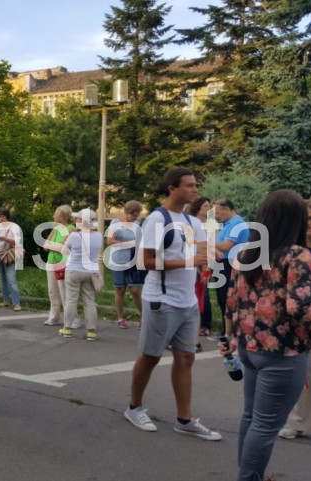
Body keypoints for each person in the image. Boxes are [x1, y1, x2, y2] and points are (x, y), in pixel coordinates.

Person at [220, 190, 311, 481]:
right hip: (284, 352)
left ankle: (248, 474)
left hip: (251, 348)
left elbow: (232, 301)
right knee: (265, 426)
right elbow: (300, 309)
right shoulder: (298, 255)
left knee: (252, 418)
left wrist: (233, 338)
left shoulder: (247, 253)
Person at [124, 167, 221, 441]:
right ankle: (134, 407)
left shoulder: (192, 222)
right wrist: (191, 261)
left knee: (186, 358)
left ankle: (185, 419)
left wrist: (206, 264)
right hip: (161, 300)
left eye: (195, 185)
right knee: (151, 356)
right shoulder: (157, 219)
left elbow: (203, 253)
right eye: (189, 185)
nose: (195, 190)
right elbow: (146, 261)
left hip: (188, 301)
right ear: (172, 188)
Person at [277, 197, 311, 440]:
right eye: (307, 219)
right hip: (301, 322)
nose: (310, 223)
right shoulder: (294, 250)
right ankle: (298, 421)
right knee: (306, 374)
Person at [59, 208, 103, 341]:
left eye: (78, 219)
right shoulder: (99, 236)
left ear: (82, 221)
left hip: (74, 270)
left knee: (71, 300)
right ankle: (91, 331)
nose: (76, 220)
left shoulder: (74, 236)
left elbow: (64, 251)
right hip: (91, 271)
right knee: (89, 301)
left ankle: (67, 328)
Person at [213, 198, 249, 332]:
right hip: (223, 263)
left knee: (227, 299)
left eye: (218, 213)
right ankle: (226, 330)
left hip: (231, 264)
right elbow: (219, 244)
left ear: (226, 209)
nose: (217, 216)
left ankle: (230, 331)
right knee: (222, 299)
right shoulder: (227, 224)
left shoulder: (236, 224)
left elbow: (226, 246)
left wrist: (208, 244)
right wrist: (216, 248)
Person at [107, 200, 144, 329]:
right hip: (118, 259)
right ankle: (120, 317)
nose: (135, 218)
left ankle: (143, 317)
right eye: (133, 215)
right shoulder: (115, 223)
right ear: (127, 212)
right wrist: (126, 244)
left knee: (135, 290)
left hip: (133, 261)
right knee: (120, 289)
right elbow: (109, 241)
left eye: (137, 215)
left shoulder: (138, 224)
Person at [186, 197, 215, 337]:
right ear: (198, 208)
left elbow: (207, 249)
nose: (209, 209)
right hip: (191, 264)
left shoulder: (210, 225)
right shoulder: (191, 224)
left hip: (204, 263)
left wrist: (206, 270)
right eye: (206, 206)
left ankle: (203, 327)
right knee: (195, 298)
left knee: (201, 297)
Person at [43, 205, 74, 326]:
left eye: (55, 214)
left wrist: (52, 246)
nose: (53, 216)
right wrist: (54, 246)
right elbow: (45, 245)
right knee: (52, 292)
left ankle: (70, 318)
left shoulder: (71, 229)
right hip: (51, 262)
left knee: (65, 293)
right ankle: (54, 316)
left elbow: (63, 248)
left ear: (62, 216)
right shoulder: (56, 228)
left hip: (63, 264)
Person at [0, 207, 22, 312]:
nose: (1, 218)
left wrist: (5, 239)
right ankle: (6, 300)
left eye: (3, 216)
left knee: (11, 279)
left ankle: (17, 302)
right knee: (2, 279)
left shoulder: (14, 227)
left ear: (7, 216)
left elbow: (17, 242)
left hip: (9, 255)